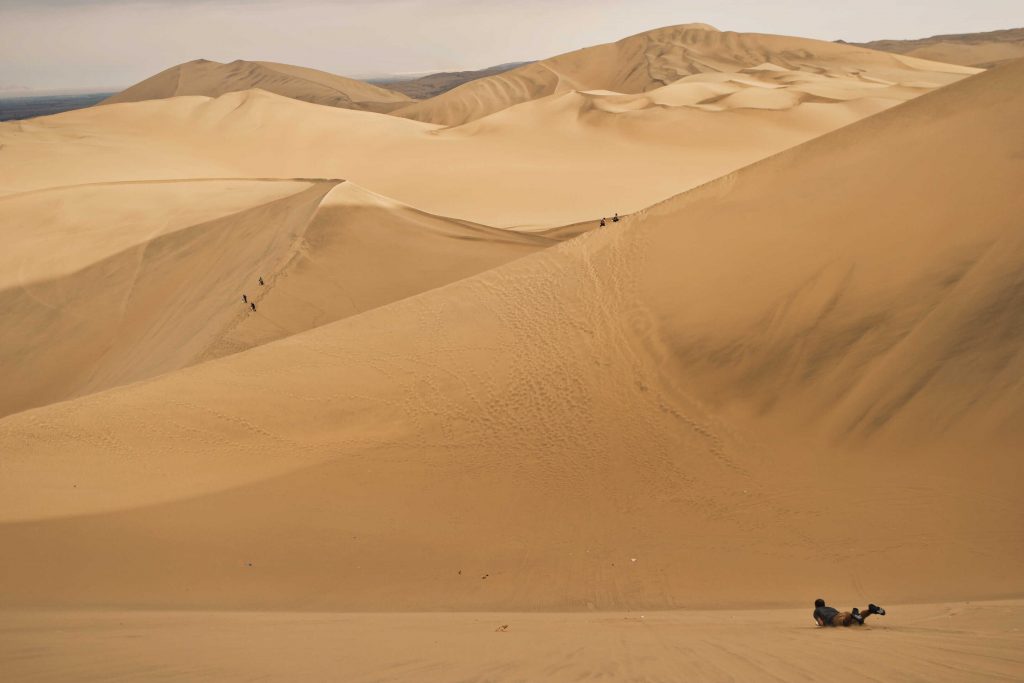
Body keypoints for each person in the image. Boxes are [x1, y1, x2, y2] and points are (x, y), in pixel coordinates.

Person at [813, 598, 886, 627]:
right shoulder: (830, 608)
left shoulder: (816, 611)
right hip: (842, 614)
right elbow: (838, 614)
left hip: (835, 619)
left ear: (816, 606)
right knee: (856, 619)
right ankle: (870, 610)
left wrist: (823, 625)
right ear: (824, 604)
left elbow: (820, 623)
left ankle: (853, 615)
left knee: (845, 622)